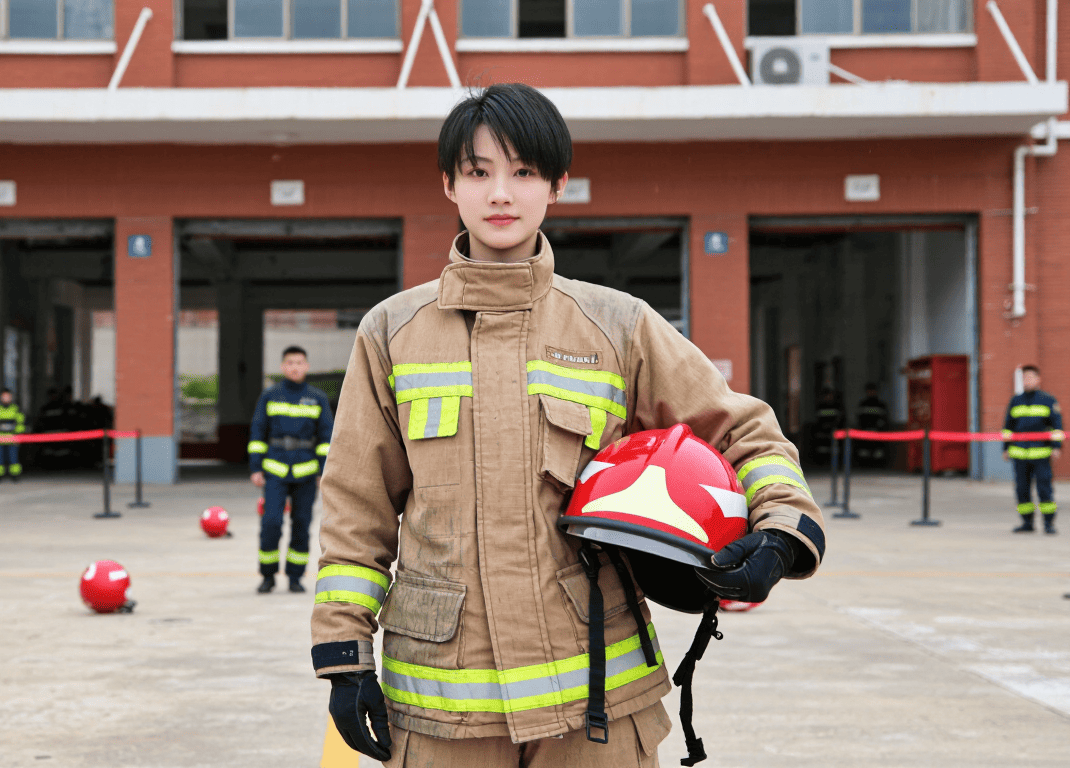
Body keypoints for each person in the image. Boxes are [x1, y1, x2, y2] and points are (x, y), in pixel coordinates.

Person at [310, 84, 825, 767]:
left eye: (524, 172)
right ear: (449, 185)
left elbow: (745, 430)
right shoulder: (391, 333)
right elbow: (358, 507)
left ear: (556, 185)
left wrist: (780, 533)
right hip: (442, 711)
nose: (501, 193)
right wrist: (346, 658)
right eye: (479, 171)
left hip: (596, 705)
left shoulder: (618, 325)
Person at [248, 346, 333, 594]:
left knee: (301, 524)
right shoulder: (270, 396)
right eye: (290, 363)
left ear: (306, 366)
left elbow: (327, 438)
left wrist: (322, 471)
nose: (295, 367)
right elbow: (257, 433)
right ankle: (268, 576)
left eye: (299, 363)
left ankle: (295, 577)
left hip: (306, 473)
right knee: (271, 523)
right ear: (283, 367)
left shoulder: (317, 398)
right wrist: (255, 467)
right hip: (274, 470)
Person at [1003, 364, 1063, 534]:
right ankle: (1027, 523)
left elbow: (1057, 426)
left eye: (1029, 378)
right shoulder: (1015, 400)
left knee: (1044, 489)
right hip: (1019, 454)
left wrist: (1056, 446)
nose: (1026, 381)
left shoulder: (1048, 400)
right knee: (1022, 490)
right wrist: (1006, 448)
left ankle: (1049, 524)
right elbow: (1008, 427)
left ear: (1038, 380)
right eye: (1024, 378)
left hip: (1041, 454)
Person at [0, 388, 26, 482]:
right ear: (0, 398)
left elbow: (21, 423)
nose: (6, 398)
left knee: (13, 458)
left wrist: (16, 432)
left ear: (11, 397)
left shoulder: (16, 409)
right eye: (4, 397)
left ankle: (15, 475)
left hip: (13, 439)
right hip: (0, 439)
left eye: (7, 396)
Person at [855, 383, 890, 467]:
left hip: (877, 432)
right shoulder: (862, 404)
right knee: (864, 451)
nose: (871, 393)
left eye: (872, 391)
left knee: (878, 452)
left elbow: (884, 419)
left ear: (876, 392)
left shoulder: (881, 405)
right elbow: (859, 418)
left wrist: (878, 427)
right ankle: (864, 465)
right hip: (864, 432)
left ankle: (878, 465)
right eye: (869, 391)